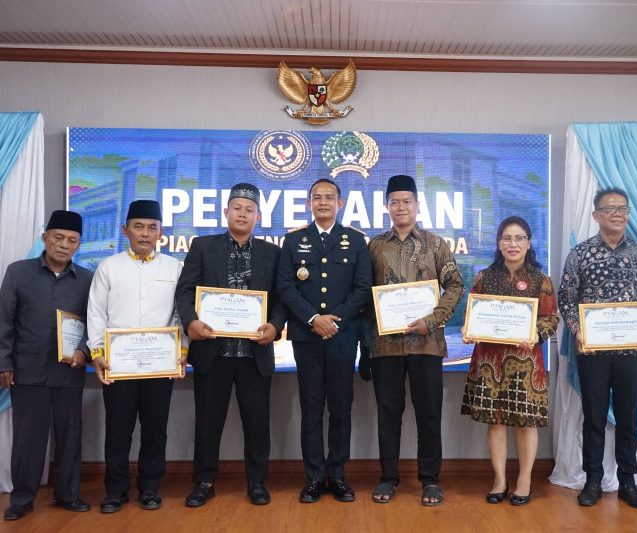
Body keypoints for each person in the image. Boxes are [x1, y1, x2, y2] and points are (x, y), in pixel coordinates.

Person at [176, 182, 287, 508]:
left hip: (255, 354)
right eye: (236, 208)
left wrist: (276, 325)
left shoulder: (272, 253)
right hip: (214, 352)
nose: (242, 213)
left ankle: (256, 482)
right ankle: (204, 481)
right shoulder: (203, 247)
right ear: (226, 212)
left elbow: (281, 300)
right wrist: (191, 322)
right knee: (208, 423)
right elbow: (185, 291)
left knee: (257, 423)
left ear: (258, 216)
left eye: (248, 210)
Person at [557, 187, 637, 510]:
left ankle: (628, 482)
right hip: (593, 352)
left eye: (623, 209)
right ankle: (592, 480)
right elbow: (566, 296)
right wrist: (577, 330)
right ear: (596, 215)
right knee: (594, 417)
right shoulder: (580, 254)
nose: (618, 213)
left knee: (629, 417)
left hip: (632, 351)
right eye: (610, 208)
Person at [368, 174, 465, 507]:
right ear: (386, 206)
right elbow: (364, 294)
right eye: (394, 201)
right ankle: (388, 478)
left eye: (406, 201)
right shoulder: (374, 246)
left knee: (428, 414)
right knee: (388, 414)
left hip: (427, 344)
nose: (401, 207)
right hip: (386, 347)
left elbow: (455, 285)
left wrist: (432, 320)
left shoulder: (436, 244)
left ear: (417, 205)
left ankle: (430, 480)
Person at [87, 200, 187, 513]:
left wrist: (181, 351)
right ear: (125, 230)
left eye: (152, 228)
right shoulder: (108, 267)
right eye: (138, 227)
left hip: (159, 365)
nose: (145, 233)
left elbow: (181, 316)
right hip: (119, 365)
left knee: (155, 428)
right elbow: (96, 313)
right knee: (118, 429)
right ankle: (115, 490)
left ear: (161, 232)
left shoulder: (175, 268)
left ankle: (150, 487)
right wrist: (97, 353)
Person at [277, 178, 372, 503]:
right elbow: (285, 286)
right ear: (308, 203)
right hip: (306, 337)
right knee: (312, 409)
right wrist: (313, 319)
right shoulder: (293, 241)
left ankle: (339, 476)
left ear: (340, 203)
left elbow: (362, 288)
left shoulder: (356, 241)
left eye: (329, 198)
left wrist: (335, 320)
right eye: (316, 197)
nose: (322, 203)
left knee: (341, 409)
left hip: (343, 338)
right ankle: (315, 477)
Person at [0, 210, 93, 521]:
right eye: (58, 238)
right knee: (28, 438)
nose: (64, 245)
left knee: (70, 436)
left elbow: (95, 324)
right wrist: (4, 363)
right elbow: (4, 322)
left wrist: (84, 351)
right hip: (27, 370)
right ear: (45, 238)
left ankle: (67, 495)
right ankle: (22, 499)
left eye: (71, 241)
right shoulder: (18, 272)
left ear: (78, 245)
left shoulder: (88, 279)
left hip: (70, 370)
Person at [461, 216, 559, 506]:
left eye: (519, 238)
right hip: (490, 362)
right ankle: (500, 479)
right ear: (498, 243)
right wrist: (469, 330)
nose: (513, 244)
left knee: (526, 423)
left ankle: (525, 479)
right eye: (507, 238)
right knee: (496, 422)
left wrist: (535, 335)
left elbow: (551, 319)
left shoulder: (541, 281)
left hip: (526, 362)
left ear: (529, 243)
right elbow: (473, 315)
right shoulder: (483, 277)